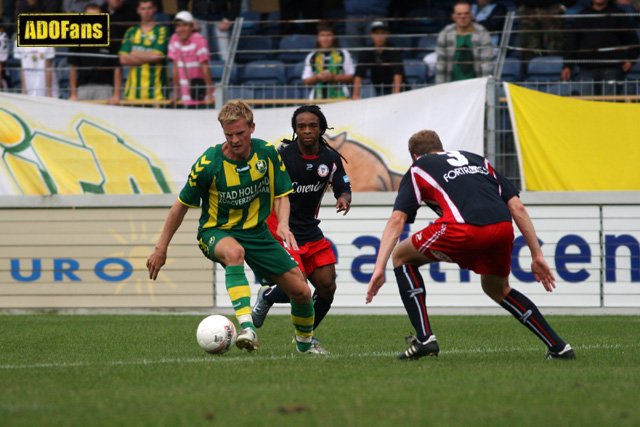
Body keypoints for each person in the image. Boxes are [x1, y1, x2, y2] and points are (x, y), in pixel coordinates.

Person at [366, 129, 575, 361]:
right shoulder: (477, 160)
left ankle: (425, 339)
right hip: (503, 228)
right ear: (441, 148)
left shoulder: (418, 168)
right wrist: (537, 255)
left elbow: (398, 219)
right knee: (497, 288)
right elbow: (517, 207)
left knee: (401, 257)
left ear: (415, 155)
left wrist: (379, 267)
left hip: (462, 229)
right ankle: (558, 347)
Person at [146, 100, 319, 354]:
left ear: (252, 127)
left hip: (258, 234)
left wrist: (282, 224)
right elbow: (180, 206)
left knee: (302, 291)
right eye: (229, 135)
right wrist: (161, 248)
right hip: (217, 232)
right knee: (234, 253)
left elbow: (282, 193)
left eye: (240, 133)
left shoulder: (267, 153)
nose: (235, 140)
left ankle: (305, 347)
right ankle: (247, 328)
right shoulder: (208, 163)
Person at [251, 105, 352, 354]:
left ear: (321, 129)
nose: (307, 130)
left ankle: (306, 334)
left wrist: (344, 197)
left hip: (309, 230)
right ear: (295, 130)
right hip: (281, 228)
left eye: (312, 126)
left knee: (327, 286)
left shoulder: (330, 158)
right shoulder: (282, 156)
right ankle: (272, 301)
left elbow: (342, 184)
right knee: (300, 287)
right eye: (301, 126)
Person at [560, 0, 640, 96]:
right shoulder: (582, 16)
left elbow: (633, 41)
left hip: (612, 69)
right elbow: (571, 44)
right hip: (587, 69)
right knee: (587, 106)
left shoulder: (618, 16)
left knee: (609, 106)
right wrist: (567, 66)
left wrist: (630, 59)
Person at [68, 3, 121, 103]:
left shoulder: (111, 37)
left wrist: (116, 95)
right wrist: (73, 94)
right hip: (83, 88)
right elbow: (73, 67)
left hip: (105, 88)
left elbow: (117, 68)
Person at [119, 0, 168, 102]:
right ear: (138, 10)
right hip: (132, 95)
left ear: (155, 9)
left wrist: (135, 54)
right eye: (143, 8)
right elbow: (123, 59)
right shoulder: (131, 31)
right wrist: (149, 56)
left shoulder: (162, 31)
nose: (146, 12)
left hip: (157, 95)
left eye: (149, 8)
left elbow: (157, 56)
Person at [436, 1, 494, 85]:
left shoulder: (482, 33)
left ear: (471, 15)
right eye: (459, 14)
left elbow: (487, 65)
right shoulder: (445, 33)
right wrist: (439, 89)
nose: (463, 17)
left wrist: (486, 89)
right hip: (451, 86)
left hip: (476, 87)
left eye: (466, 13)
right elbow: (441, 65)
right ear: (454, 16)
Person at [167, 10, 214, 107]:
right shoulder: (174, 39)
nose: (181, 29)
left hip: (201, 93)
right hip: (184, 95)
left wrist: (209, 92)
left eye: (184, 25)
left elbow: (205, 66)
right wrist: (176, 93)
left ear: (192, 27)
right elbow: (175, 67)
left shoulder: (199, 39)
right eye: (178, 26)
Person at [302, 22, 355, 100]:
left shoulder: (343, 53)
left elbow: (351, 76)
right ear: (318, 38)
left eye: (329, 35)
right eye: (322, 35)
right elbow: (306, 80)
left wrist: (333, 77)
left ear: (334, 37)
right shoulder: (311, 56)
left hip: (341, 98)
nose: (325, 39)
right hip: (316, 99)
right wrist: (317, 77)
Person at [352, 20, 404, 98]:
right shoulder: (366, 51)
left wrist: (396, 95)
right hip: (377, 89)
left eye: (382, 33)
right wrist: (355, 94)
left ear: (387, 34)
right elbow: (359, 74)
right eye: (376, 33)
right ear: (371, 35)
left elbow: (398, 73)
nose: (380, 36)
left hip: (397, 89)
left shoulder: (394, 50)